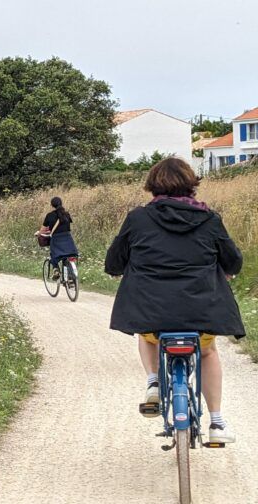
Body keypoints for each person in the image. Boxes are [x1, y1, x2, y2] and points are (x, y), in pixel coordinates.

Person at [105, 158, 244, 444]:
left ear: (153, 186)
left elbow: (114, 262)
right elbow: (233, 261)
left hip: (151, 309)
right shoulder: (210, 219)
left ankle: (154, 381)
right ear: (191, 184)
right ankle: (216, 421)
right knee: (207, 353)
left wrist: (122, 269)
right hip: (200, 309)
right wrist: (225, 271)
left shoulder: (138, 218)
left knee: (147, 337)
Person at [41, 196, 78, 279]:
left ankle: (56, 270)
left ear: (52, 205)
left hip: (56, 239)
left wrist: (38, 233)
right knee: (68, 255)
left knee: (53, 255)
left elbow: (42, 230)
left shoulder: (49, 215)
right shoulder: (66, 214)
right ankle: (71, 279)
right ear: (61, 203)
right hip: (68, 238)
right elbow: (66, 226)